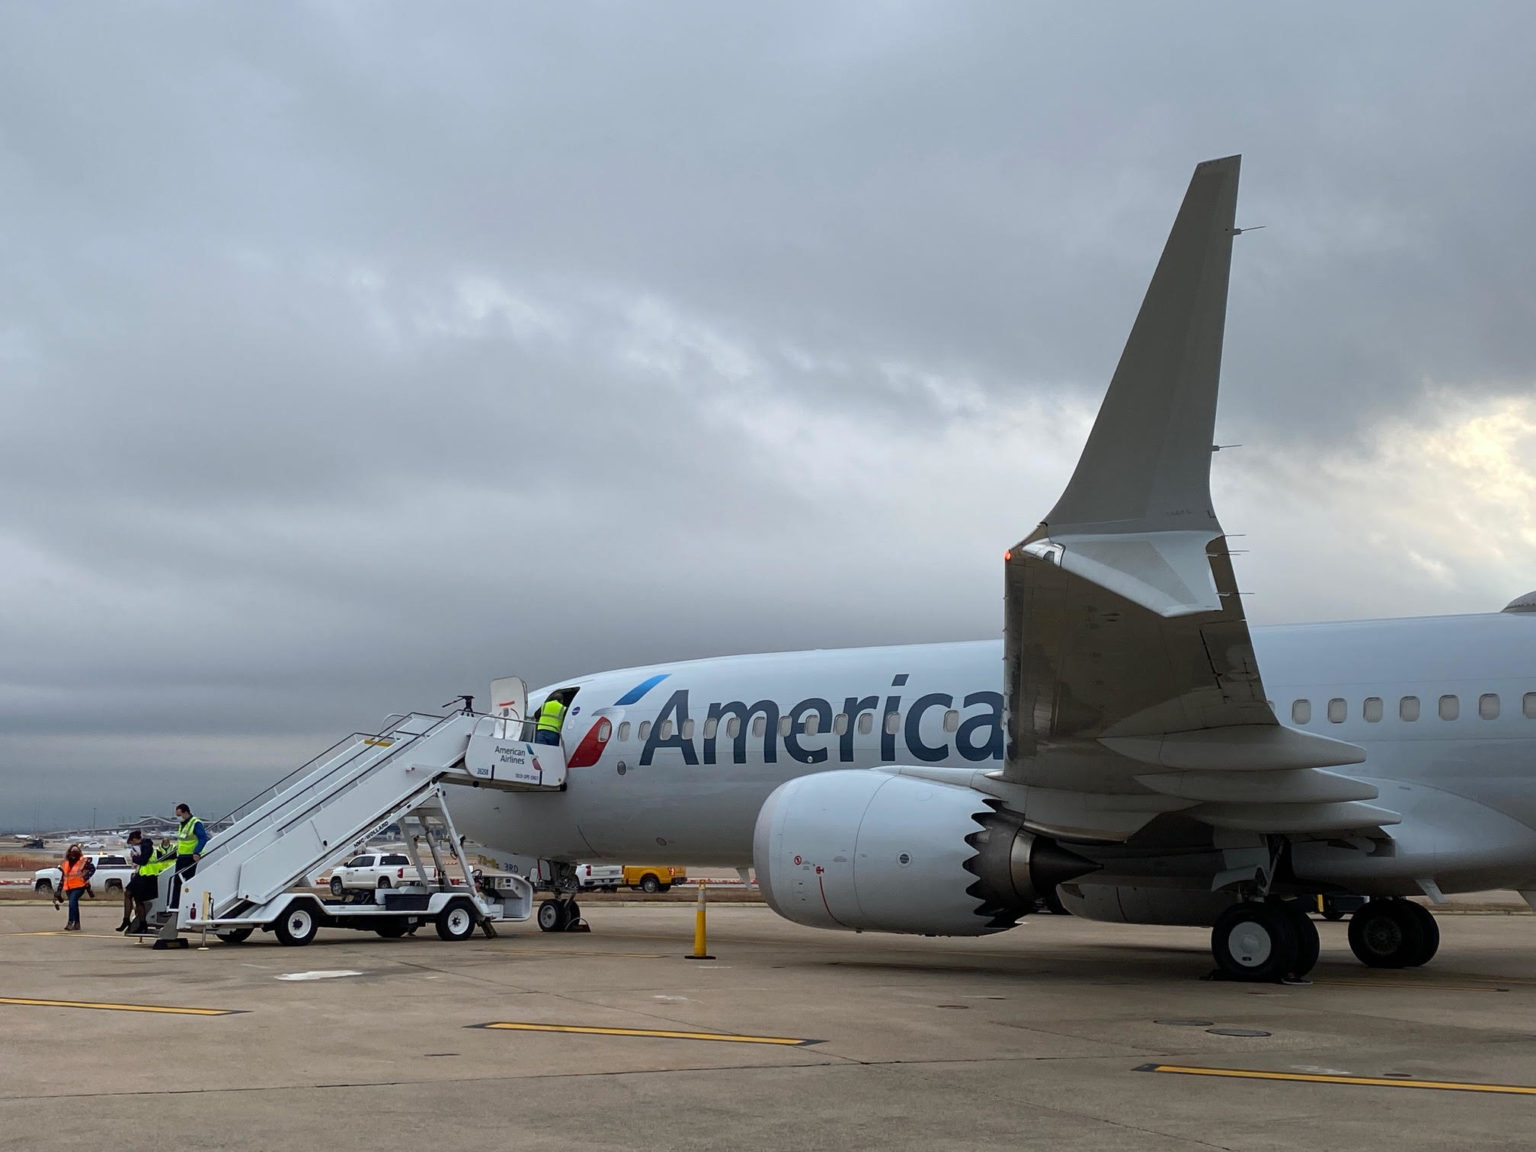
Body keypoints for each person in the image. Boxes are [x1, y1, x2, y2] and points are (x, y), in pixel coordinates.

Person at [128, 838, 177, 934]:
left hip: (168, 873)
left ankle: (142, 923)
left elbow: (173, 856)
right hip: (159, 874)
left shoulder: (173, 847)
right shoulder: (157, 850)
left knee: (140, 899)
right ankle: (142, 922)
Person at [167, 803, 208, 912]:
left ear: (186, 812)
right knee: (177, 882)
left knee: (187, 882)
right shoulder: (183, 824)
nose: (178, 818)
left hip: (190, 857)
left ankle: (185, 905)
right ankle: (175, 905)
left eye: (179, 815)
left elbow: (203, 838)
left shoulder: (195, 823)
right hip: (182, 856)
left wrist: (196, 852)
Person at [53, 844, 93, 931]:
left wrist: (85, 877)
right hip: (69, 888)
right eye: (73, 851)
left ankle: (70, 922)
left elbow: (92, 869)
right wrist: (59, 891)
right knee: (74, 905)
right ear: (69, 852)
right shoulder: (66, 863)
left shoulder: (83, 861)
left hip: (80, 886)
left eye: (76, 851)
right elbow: (63, 877)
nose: (74, 853)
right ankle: (77, 924)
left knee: (72, 902)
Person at [118, 831, 151, 931]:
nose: (132, 845)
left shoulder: (146, 846)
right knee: (136, 898)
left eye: (132, 842)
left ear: (135, 840)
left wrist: (134, 858)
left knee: (129, 893)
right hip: (142, 874)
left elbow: (144, 860)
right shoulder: (144, 845)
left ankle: (129, 920)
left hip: (146, 875)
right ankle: (139, 923)